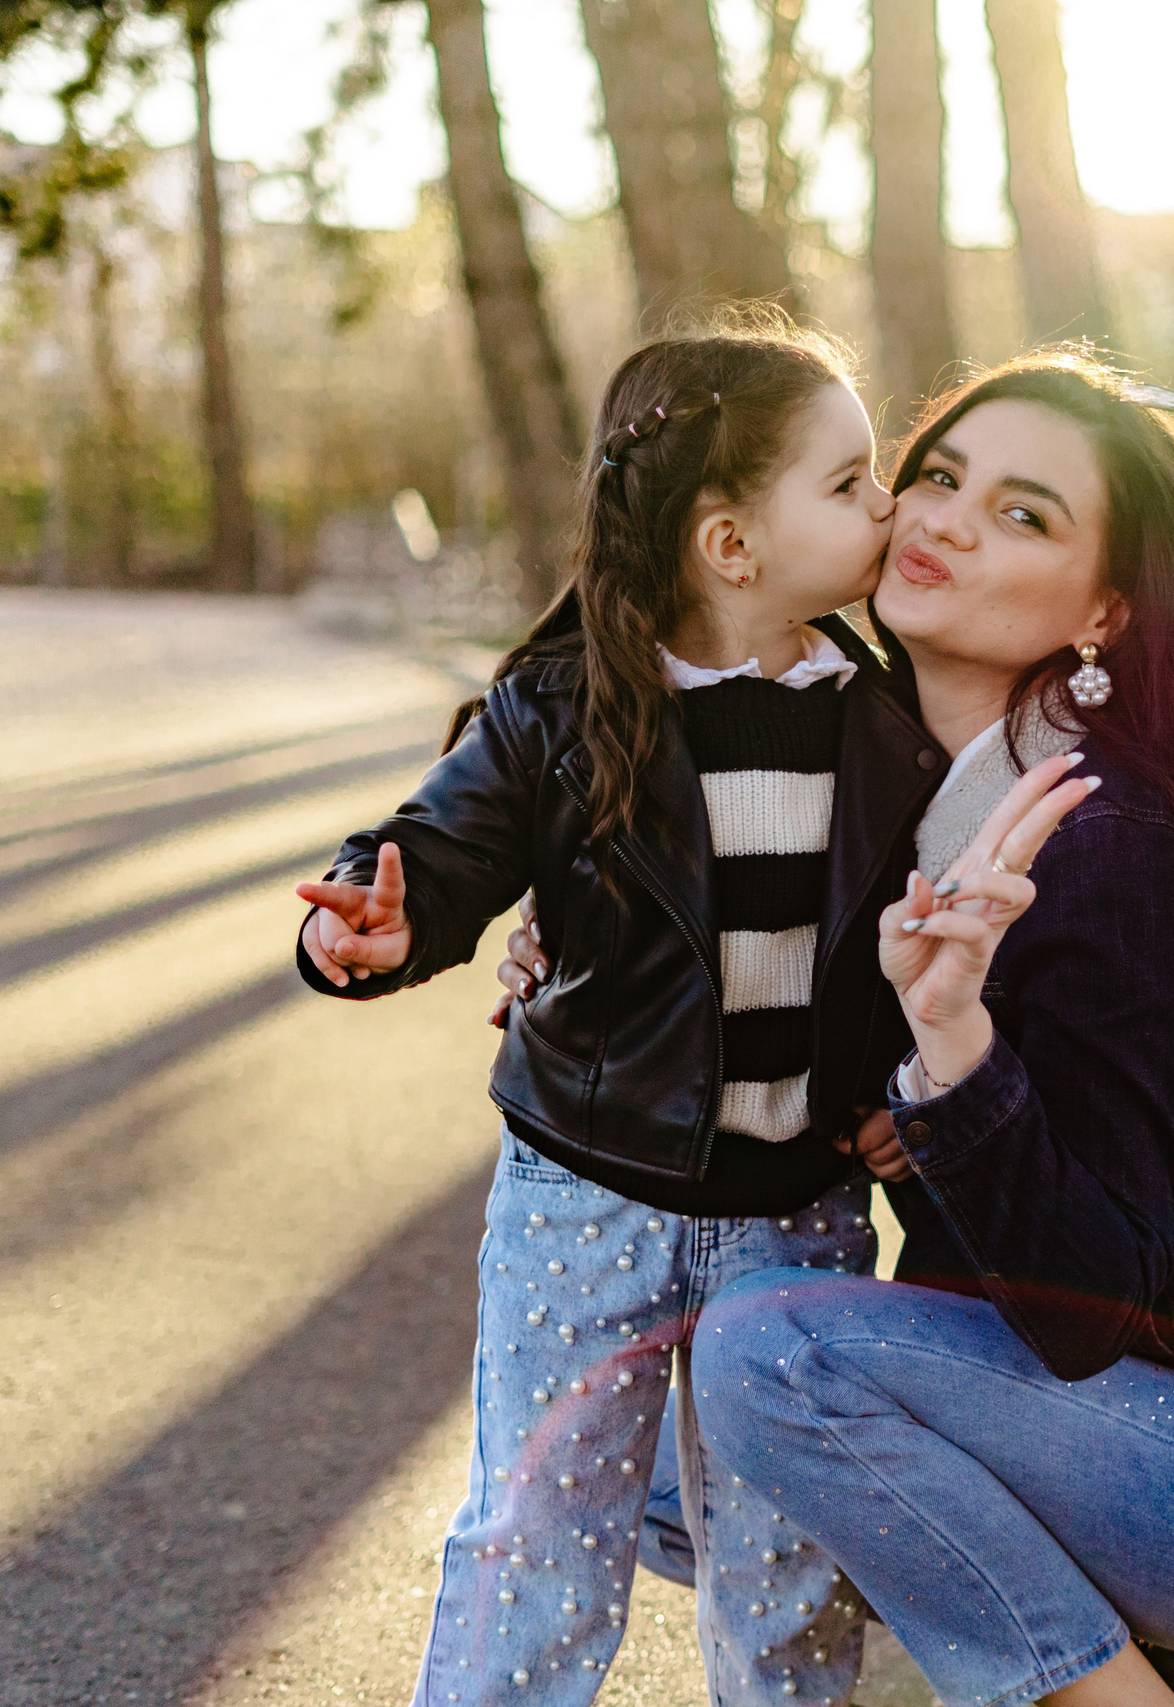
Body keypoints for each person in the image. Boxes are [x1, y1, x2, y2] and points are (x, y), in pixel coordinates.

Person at [498, 352, 1174, 1707]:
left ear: (1106, 611)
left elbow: (1087, 1302)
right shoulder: (885, 777)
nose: (944, 519)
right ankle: (984, 1664)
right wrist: (588, 952)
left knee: (769, 1358)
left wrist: (952, 1053)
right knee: (644, 1451)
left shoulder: (1104, 837)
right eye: (936, 478)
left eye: (1023, 514)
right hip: (1113, 1424)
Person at [292, 317, 935, 1707]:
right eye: (849, 482)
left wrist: (899, 1094)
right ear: (731, 546)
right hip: (585, 1198)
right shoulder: (564, 708)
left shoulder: (887, 725)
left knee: (790, 1570)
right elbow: (442, 849)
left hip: (795, 1214)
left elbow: (897, 957)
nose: (886, 506)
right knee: (537, 1537)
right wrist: (379, 922)